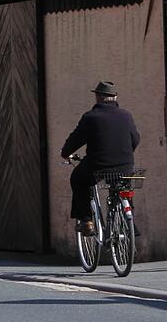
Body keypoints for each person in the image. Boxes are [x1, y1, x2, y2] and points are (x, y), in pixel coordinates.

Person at [61, 81, 140, 235]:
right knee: (123, 187)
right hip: (125, 165)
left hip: (98, 165)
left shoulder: (91, 117)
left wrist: (65, 153)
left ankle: (87, 221)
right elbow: (135, 139)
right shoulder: (126, 115)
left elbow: (76, 139)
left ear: (98, 97)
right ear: (115, 97)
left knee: (77, 179)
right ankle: (130, 224)